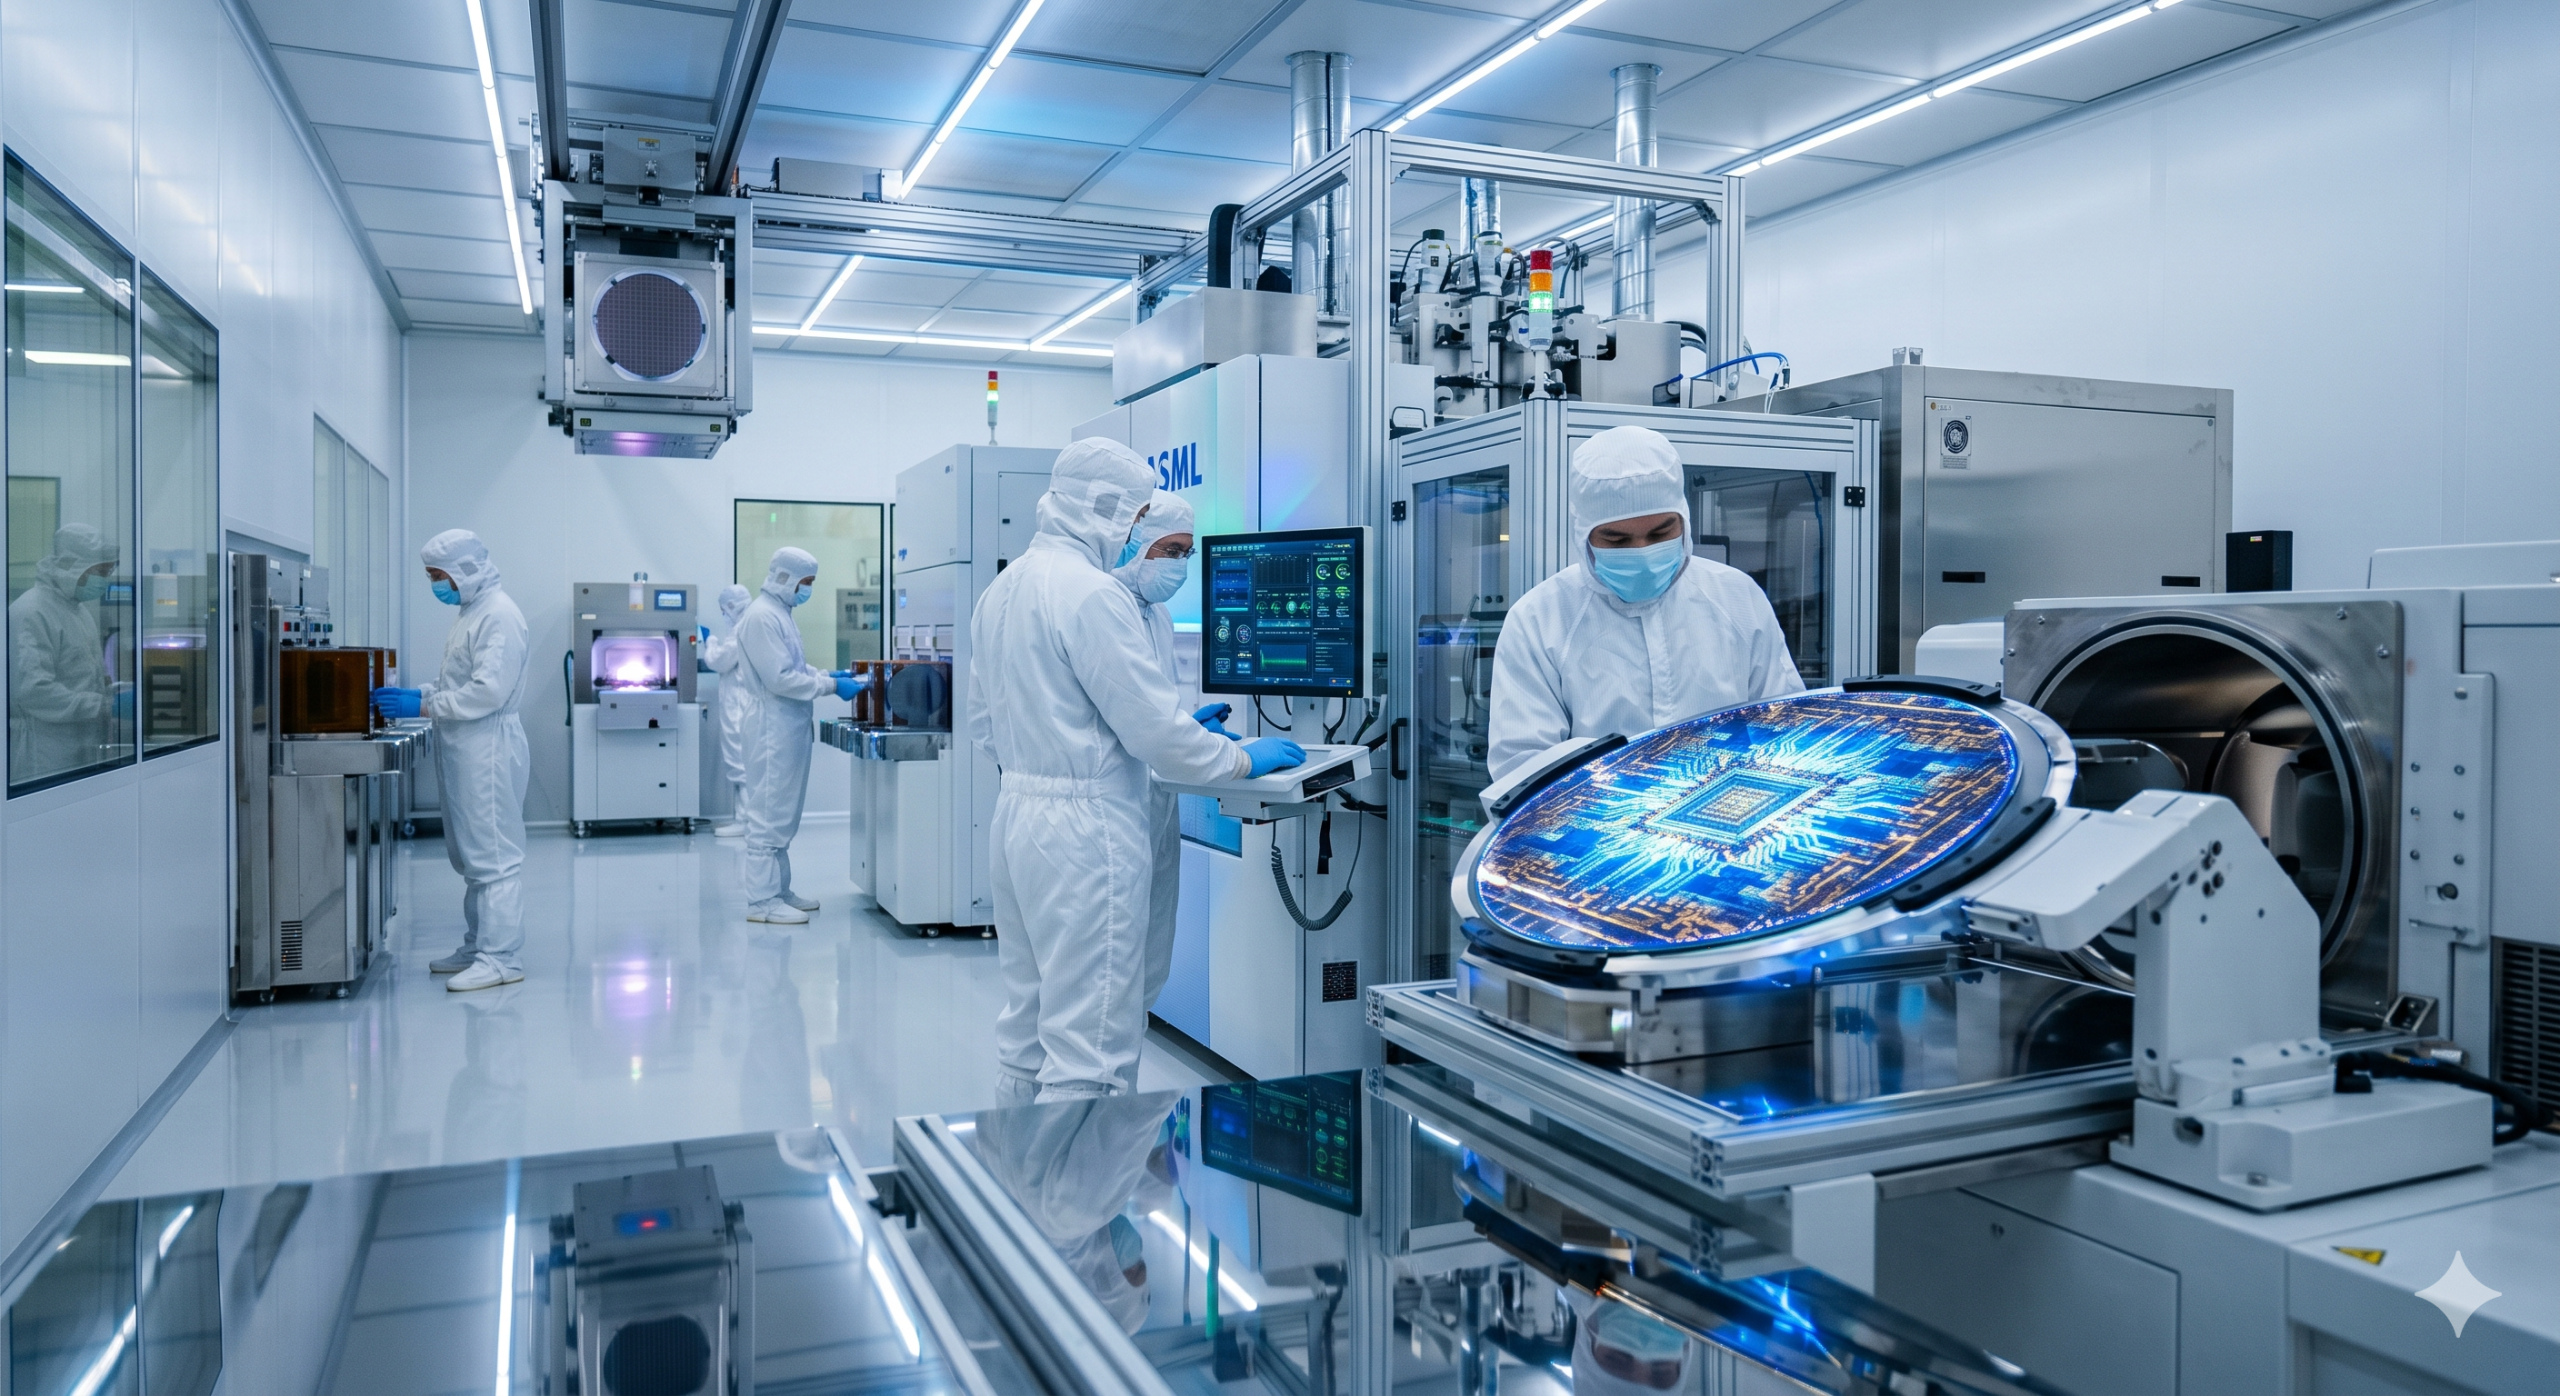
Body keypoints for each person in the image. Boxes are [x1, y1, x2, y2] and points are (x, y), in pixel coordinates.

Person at [970, 439, 1302, 1105]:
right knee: (1092, 1045)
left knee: (1029, 1031)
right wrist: (1237, 758)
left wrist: (1109, 743)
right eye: (1138, 512)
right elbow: (1155, 732)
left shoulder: (1005, 588)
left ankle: (1019, 1193)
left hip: (1019, 819)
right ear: (1105, 506)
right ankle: (1076, 1210)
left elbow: (988, 724)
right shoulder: (1091, 594)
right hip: (1086, 835)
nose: (1137, 525)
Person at [1486, 425, 1802, 786]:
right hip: (1598, 835)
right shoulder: (1539, 620)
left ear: (1683, 519)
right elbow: (1524, 770)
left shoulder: (1737, 598)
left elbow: (1784, 727)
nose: (1643, 554)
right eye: (1617, 539)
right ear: (1583, 534)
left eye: (1660, 533)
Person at [372, 530, 532, 992]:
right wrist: (422, 693)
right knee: (471, 856)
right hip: (466, 745)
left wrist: (424, 707)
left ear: (463, 571)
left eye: (438, 576)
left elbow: (488, 692)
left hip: (488, 749)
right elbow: (462, 679)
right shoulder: (472, 612)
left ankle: (502, 958)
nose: (435, 585)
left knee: (495, 856)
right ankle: (478, 945)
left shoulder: (498, 614)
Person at [1109, 490, 1233, 1027]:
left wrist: (1183, 726)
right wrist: (1241, 763)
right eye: (1170, 549)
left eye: (1188, 551)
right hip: (1112, 808)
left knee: (1144, 967)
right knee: (1105, 989)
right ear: (1133, 544)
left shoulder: (1155, 617)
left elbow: (1150, 710)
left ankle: (1120, 1099)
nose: (1180, 564)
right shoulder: (1102, 609)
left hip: (1153, 800)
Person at [733, 546, 864, 924]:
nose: (807, 591)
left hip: (787, 725)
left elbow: (792, 664)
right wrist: (828, 686)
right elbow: (780, 678)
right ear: (786, 578)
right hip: (771, 728)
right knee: (767, 812)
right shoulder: (761, 617)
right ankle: (761, 902)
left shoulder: (779, 615)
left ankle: (778, 890)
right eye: (806, 583)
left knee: (782, 813)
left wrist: (828, 674)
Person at [7, 523, 124, 781]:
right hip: (45, 753)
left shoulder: (78, 611)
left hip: (81, 745)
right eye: (100, 571)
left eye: (108, 571)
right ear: (73, 565)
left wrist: (108, 688)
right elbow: (32, 689)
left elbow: (85, 671)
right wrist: (99, 706)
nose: (104, 580)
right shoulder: (31, 612)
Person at [699, 583, 755, 838]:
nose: (723, 614)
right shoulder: (750, 625)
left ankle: (746, 821)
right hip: (745, 703)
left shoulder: (742, 629)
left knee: (739, 762)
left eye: (723, 610)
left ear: (731, 607)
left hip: (739, 705)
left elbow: (719, 661)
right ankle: (746, 819)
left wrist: (708, 641)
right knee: (744, 762)